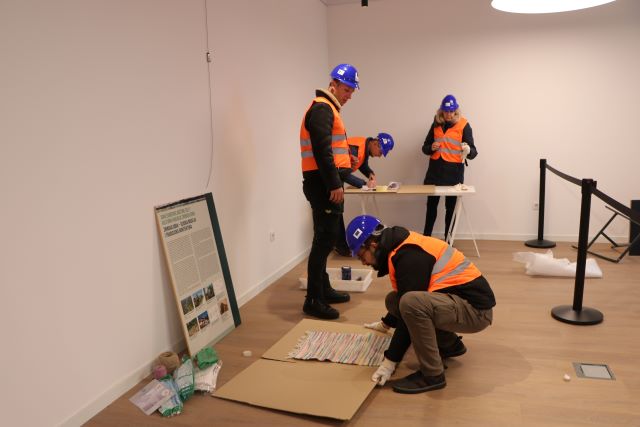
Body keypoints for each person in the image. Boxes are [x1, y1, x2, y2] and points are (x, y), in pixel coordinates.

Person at [345, 214, 495, 393]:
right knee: (394, 300)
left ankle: (432, 374)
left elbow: (409, 311)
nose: (363, 262)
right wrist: (385, 324)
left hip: (476, 312)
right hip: (460, 302)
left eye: (361, 255)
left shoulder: (409, 256)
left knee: (410, 303)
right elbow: (404, 297)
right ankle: (450, 345)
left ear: (373, 245)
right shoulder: (401, 246)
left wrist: (390, 361)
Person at [299, 63, 360, 320]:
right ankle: (313, 300)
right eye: (347, 89)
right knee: (324, 241)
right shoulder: (322, 109)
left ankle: (322, 289)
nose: (349, 95)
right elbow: (322, 152)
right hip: (323, 184)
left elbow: (331, 151)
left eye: (352, 91)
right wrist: (334, 184)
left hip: (324, 181)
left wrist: (347, 166)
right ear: (333, 85)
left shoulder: (329, 109)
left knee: (325, 239)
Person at [421, 94, 477, 239]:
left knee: (451, 209)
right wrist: (431, 147)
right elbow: (425, 148)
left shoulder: (464, 125)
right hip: (434, 173)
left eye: (451, 111)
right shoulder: (436, 123)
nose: (449, 114)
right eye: (446, 111)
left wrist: (468, 150)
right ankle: (426, 239)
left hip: (453, 175)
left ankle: (448, 241)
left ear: (456, 111)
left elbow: (473, 152)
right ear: (441, 111)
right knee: (431, 207)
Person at [334, 133, 395, 256]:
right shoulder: (355, 148)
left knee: (337, 212)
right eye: (380, 152)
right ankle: (340, 247)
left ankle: (340, 246)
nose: (379, 156)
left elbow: (362, 164)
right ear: (376, 143)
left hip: (336, 180)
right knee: (335, 213)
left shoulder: (363, 147)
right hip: (332, 181)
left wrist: (370, 173)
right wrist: (364, 184)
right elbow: (343, 173)